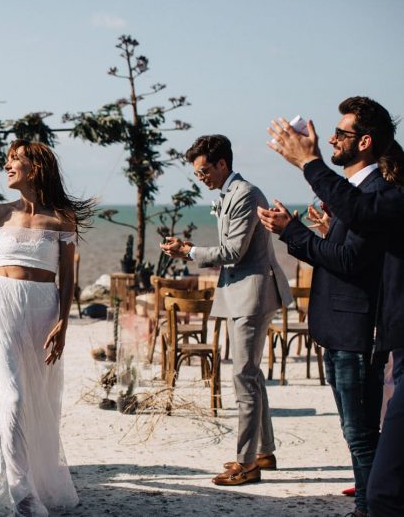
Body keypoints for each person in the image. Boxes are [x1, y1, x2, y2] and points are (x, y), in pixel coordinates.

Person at [267, 98, 401, 517]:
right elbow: (346, 251)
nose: (329, 138)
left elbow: (347, 262)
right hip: (341, 328)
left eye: (340, 133)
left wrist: (293, 233)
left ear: (364, 141)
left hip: (356, 332)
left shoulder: (376, 190)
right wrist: (306, 232)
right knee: (355, 432)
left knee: (360, 434)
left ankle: (368, 507)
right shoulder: (358, 193)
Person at [0, 140, 88, 516]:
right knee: (12, 397)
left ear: (36, 168)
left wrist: (63, 325)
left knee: (40, 398)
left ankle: (37, 478)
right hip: (2, 307)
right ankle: (21, 491)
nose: (7, 165)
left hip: (43, 307)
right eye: (7, 158)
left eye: (15, 159)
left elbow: (68, 278)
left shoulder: (62, 218)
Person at [161, 134, 291, 486]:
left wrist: (188, 251)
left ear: (222, 164)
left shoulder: (245, 194)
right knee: (252, 375)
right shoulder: (230, 195)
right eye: (197, 172)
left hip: (253, 294)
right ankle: (264, 450)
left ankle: (246, 464)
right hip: (245, 293)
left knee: (243, 378)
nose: (200, 177)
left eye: (204, 170)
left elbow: (232, 252)